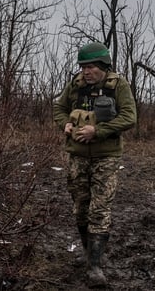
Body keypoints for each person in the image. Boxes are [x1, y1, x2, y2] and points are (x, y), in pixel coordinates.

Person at [53, 42, 137, 287]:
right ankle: (88, 252)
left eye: (90, 67)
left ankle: (95, 266)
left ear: (102, 66)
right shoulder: (76, 84)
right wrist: (64, 125)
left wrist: (97, 131)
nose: (85, 72)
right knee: (80, 208)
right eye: (82, 67)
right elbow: (59, 108)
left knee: (99, 210)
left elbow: (129, 117)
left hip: (106, 157)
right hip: (77, 156)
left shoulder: (118, 86)